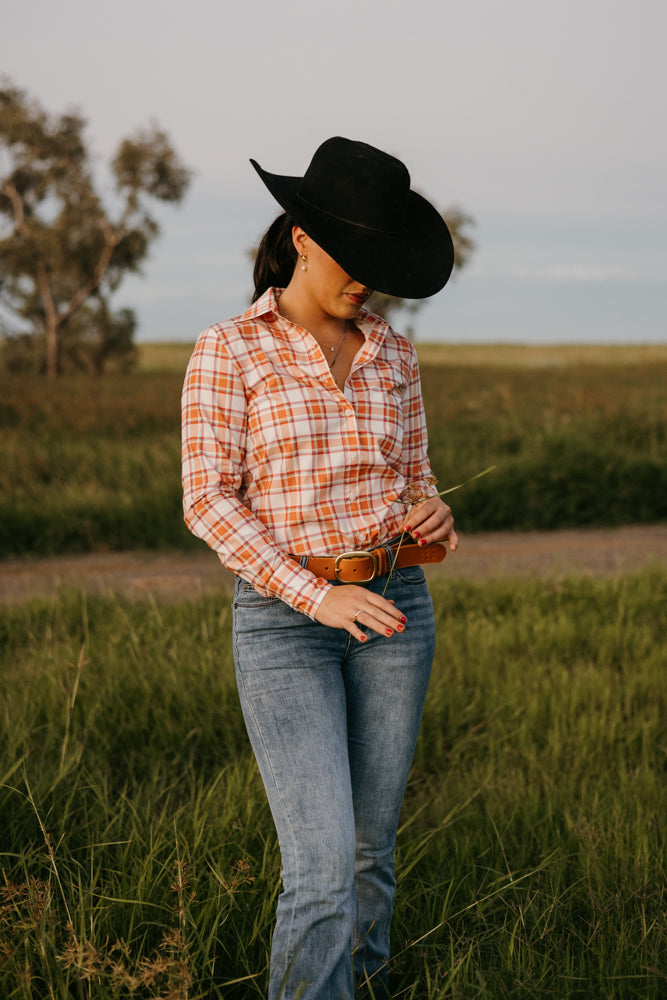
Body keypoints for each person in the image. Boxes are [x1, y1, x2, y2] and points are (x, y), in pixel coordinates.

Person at [181, 136, 458, 1000]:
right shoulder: (230, 349)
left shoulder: (395, 356)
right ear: (300, 236)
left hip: (395, 609)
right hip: (282, 624)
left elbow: (412, 481)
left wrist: (433, 515)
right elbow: (208, 500)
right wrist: (317, 594)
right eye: (352, 255)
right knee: (322, 864)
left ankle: (366, 987)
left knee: (374, 849)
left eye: (379, 260)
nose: (364, 279)